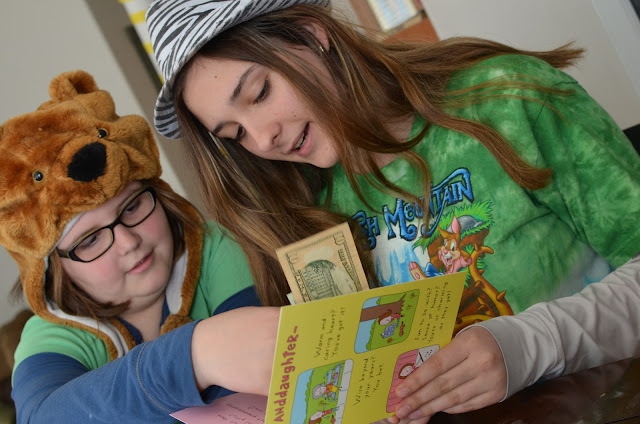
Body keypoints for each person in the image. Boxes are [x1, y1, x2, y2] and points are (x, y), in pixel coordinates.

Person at [145, 0, 640, 422]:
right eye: (235, 134)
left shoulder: (504, 98)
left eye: (260, 93)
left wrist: (533, 343)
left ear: (312, 34)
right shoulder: (302, 211)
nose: (262, 138)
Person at [0, 70, 279, 423]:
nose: (129, 242)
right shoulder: (53, 333)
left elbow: (258, 382)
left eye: (132, 207)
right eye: (91, 239)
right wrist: (193, 357)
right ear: (53, 269)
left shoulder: (216, 248)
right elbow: (42, 417)